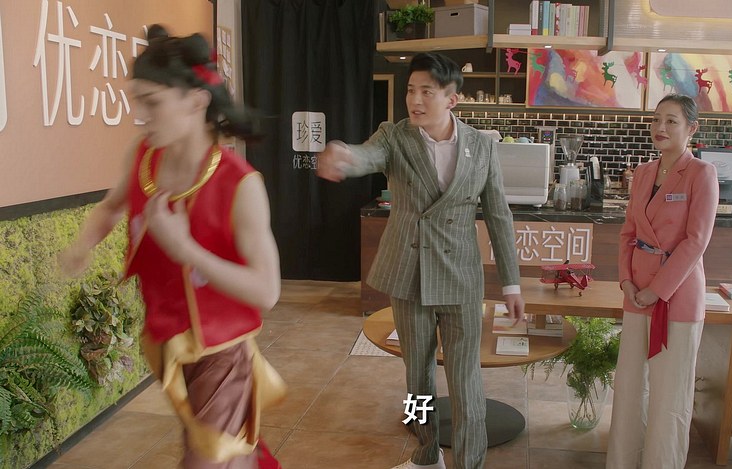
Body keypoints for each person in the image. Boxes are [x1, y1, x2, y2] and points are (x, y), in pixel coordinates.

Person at [59, 25, 286, 469]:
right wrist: (83, 244)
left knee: (208, 457)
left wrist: (187, 250)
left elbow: (267, 291)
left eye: (152, 102)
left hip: (222, 350)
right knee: (222, 448)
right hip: (166, 339)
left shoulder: (241, 185)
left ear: (196, 101)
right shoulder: (144, 155)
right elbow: (111, 206)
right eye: (137, 101)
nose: (140, 115)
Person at [316, 52, 524, 469]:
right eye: (411, 90)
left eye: (427, 91)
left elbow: (499, 215)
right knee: (417, 377)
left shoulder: (482, 146)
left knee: (466, 380)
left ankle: (470, 462)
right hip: (409, 276)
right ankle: (427, 454)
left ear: (452, 99)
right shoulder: (395, 137)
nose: (414, 99)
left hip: (461, 277)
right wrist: (345, 156)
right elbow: (367, 155)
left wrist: (511, 283)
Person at [607, 93, 718, 469]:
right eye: (656, 119)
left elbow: (696, 241)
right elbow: (628, 233)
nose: (660, 127)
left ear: (692, 128)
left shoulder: (701, 173)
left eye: (671, 121)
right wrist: (626, 280)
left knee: (670, 394)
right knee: (628, 386)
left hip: (676, 295)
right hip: (636, 292)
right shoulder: (642, 172)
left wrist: (658, 290)